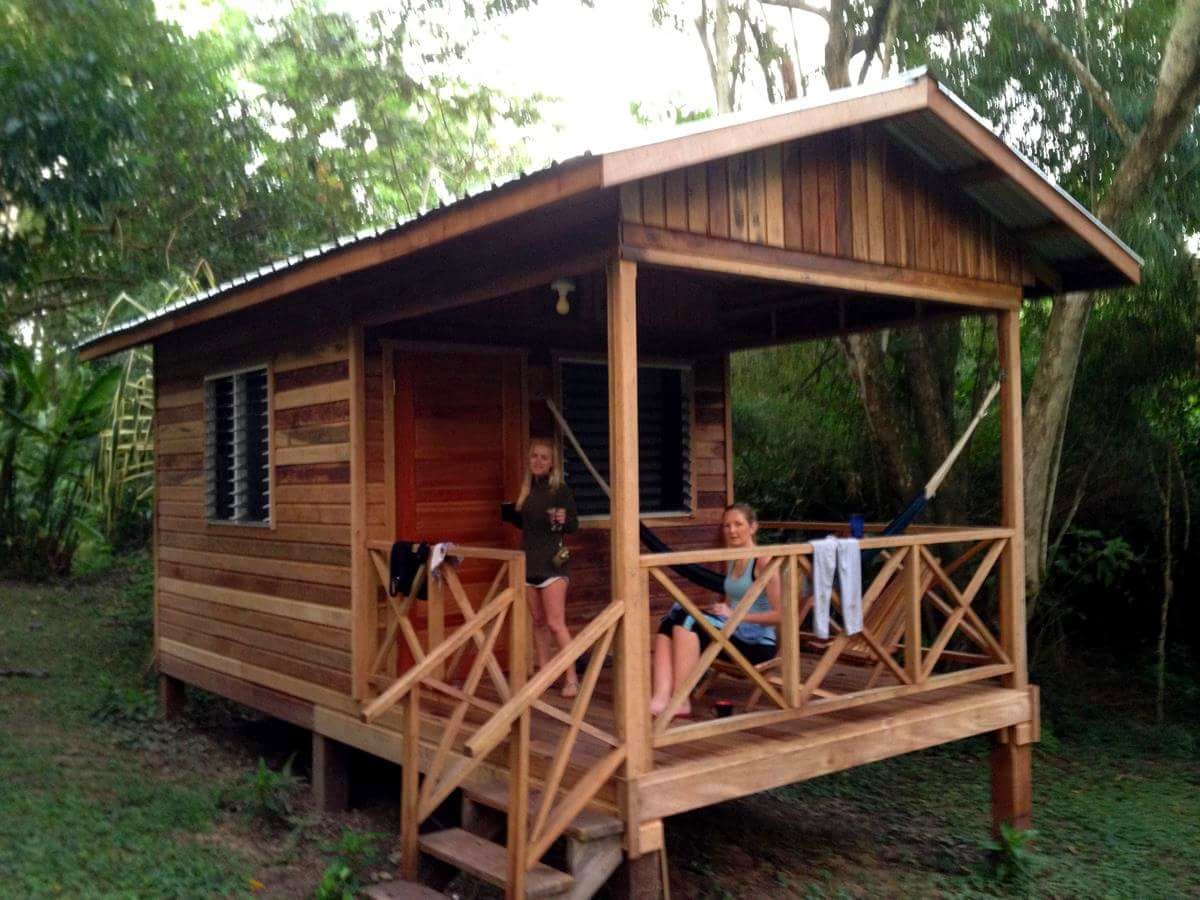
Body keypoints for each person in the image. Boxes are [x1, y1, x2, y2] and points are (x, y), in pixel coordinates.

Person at [649, 502, 781, 718]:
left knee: (687, 619)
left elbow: (781, 615)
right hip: (733, 631)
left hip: (756, 645)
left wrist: (735, 615)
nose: (732, 530)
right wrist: (722, 611)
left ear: (753, 527)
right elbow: (732, 603)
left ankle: (681, 700)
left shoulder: (763, 562)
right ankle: (661, 696)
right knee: (670, 618)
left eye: (738, 524)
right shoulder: (733, 560)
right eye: (727, 525)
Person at [503, 437, 581, 698]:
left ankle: (571, 678)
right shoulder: (528, 490)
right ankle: (545, 674)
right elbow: (527, 525)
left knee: (556, 623)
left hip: (553, 564)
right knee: (538, 622)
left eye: (543, 457)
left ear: (552, 464)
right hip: (529, 563)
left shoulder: (559, 490)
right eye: (534, 456)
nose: (537, 461)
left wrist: (563, 518)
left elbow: (573, 525)